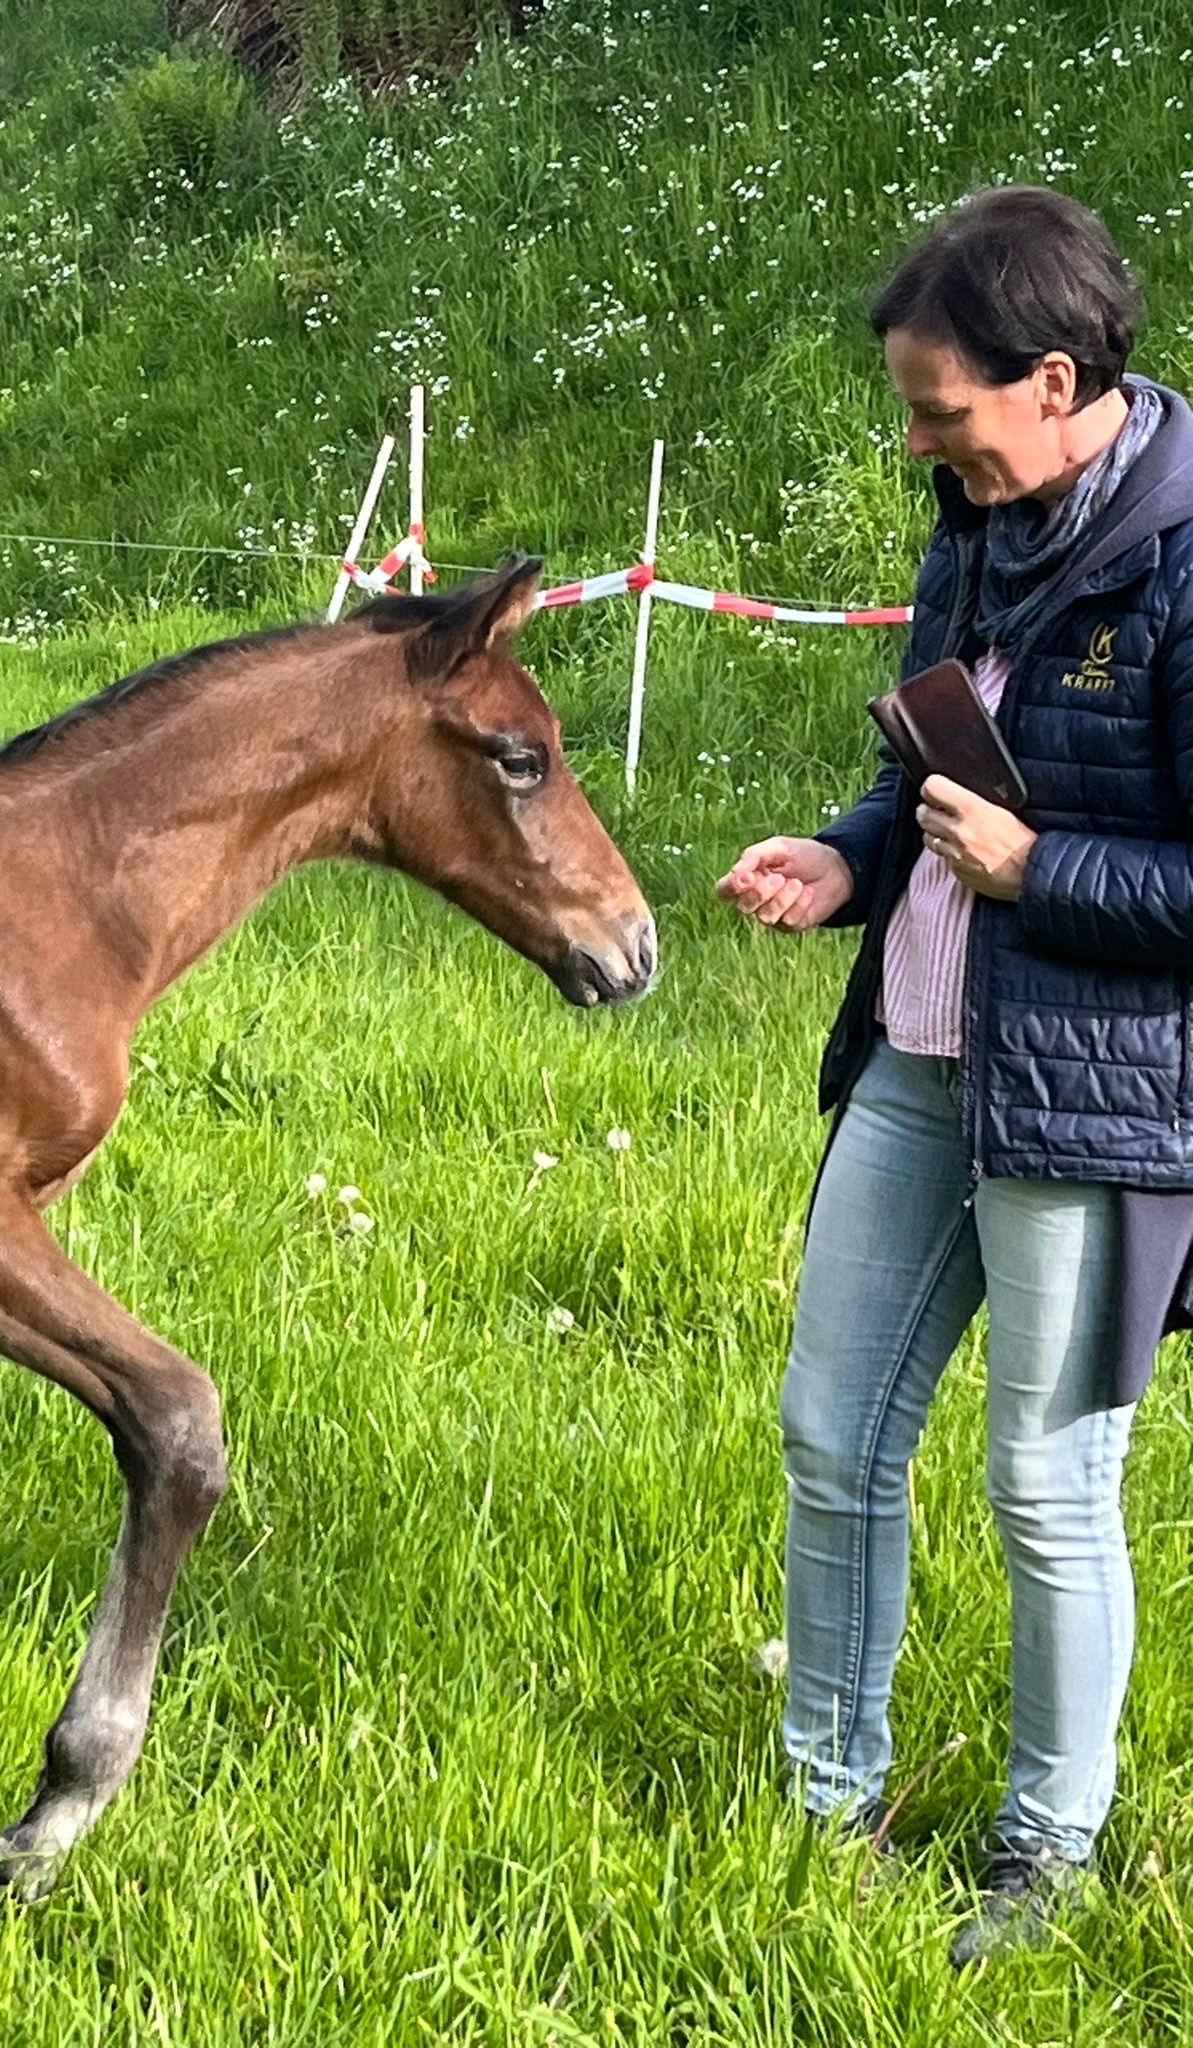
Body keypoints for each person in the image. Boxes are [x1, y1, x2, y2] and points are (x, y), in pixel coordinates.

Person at [716, 184, 1193, 1965]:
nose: (919, 443)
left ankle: (1045, 1858)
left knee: (1046, 1493)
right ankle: (824, 1805)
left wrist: (1040, 872)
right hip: (916, 1065)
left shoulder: (1186, 562)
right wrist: (850, 858)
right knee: (831, 1434)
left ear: (1055, 380)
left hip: (1088, 1105)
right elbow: (928, 765)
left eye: (942, 411)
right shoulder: (973, 528)